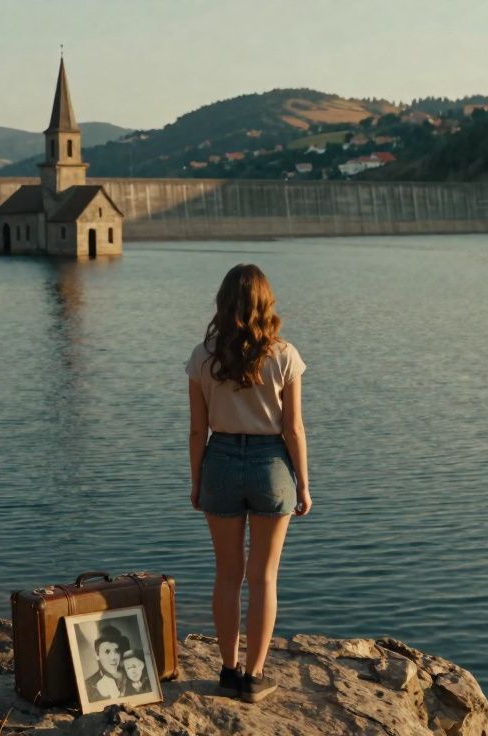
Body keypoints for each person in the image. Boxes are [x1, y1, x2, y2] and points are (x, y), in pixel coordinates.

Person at [186, 263, 310, 704]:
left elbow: (197, 431)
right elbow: (293, 429)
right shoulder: (285, 354)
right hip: (270, 465)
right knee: (264, 578)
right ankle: (254, 678)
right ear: (265, 303)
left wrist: (197, 481)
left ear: (223, 302)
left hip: (218, 460)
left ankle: (227, 670)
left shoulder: (204, 356)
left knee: (227, 576)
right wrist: (305, 485)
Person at [82, 626, 127, 702]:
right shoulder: (88, 685)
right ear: (97, 655)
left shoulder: (131, 675)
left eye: (117, 651)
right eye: (107, 651)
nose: (113, 657)